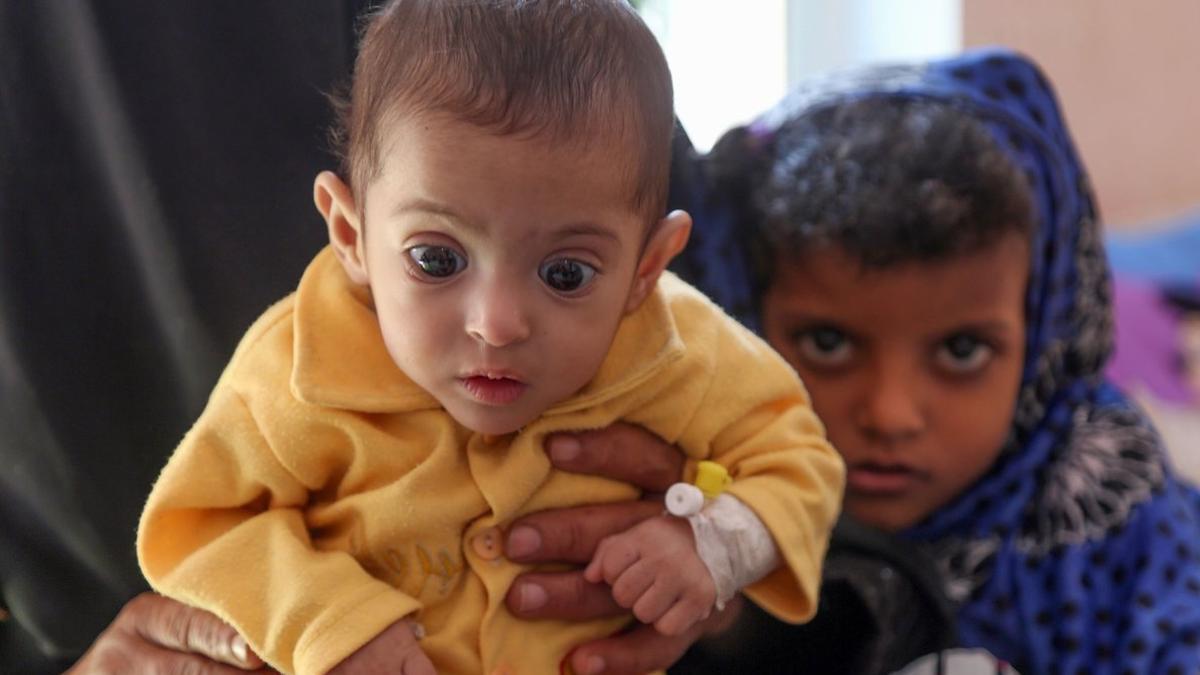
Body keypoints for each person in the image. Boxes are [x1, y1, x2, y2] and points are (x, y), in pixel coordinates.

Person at [135, 2, 843, 674]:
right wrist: (327, 620)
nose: (497, 324)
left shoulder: (681, 347)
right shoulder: (296, 367)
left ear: (647, 268)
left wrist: (713, 544)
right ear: (350, 234)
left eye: (566, 273)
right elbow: (201, 521)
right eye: (437, 259)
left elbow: (799, 459)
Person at [676, 47, 1200, 674]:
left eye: (961, 350)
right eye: (828, 344)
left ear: (1041, 339)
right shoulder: (694, 493)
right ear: (747, 324)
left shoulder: (1119, 506)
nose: (890, 415)